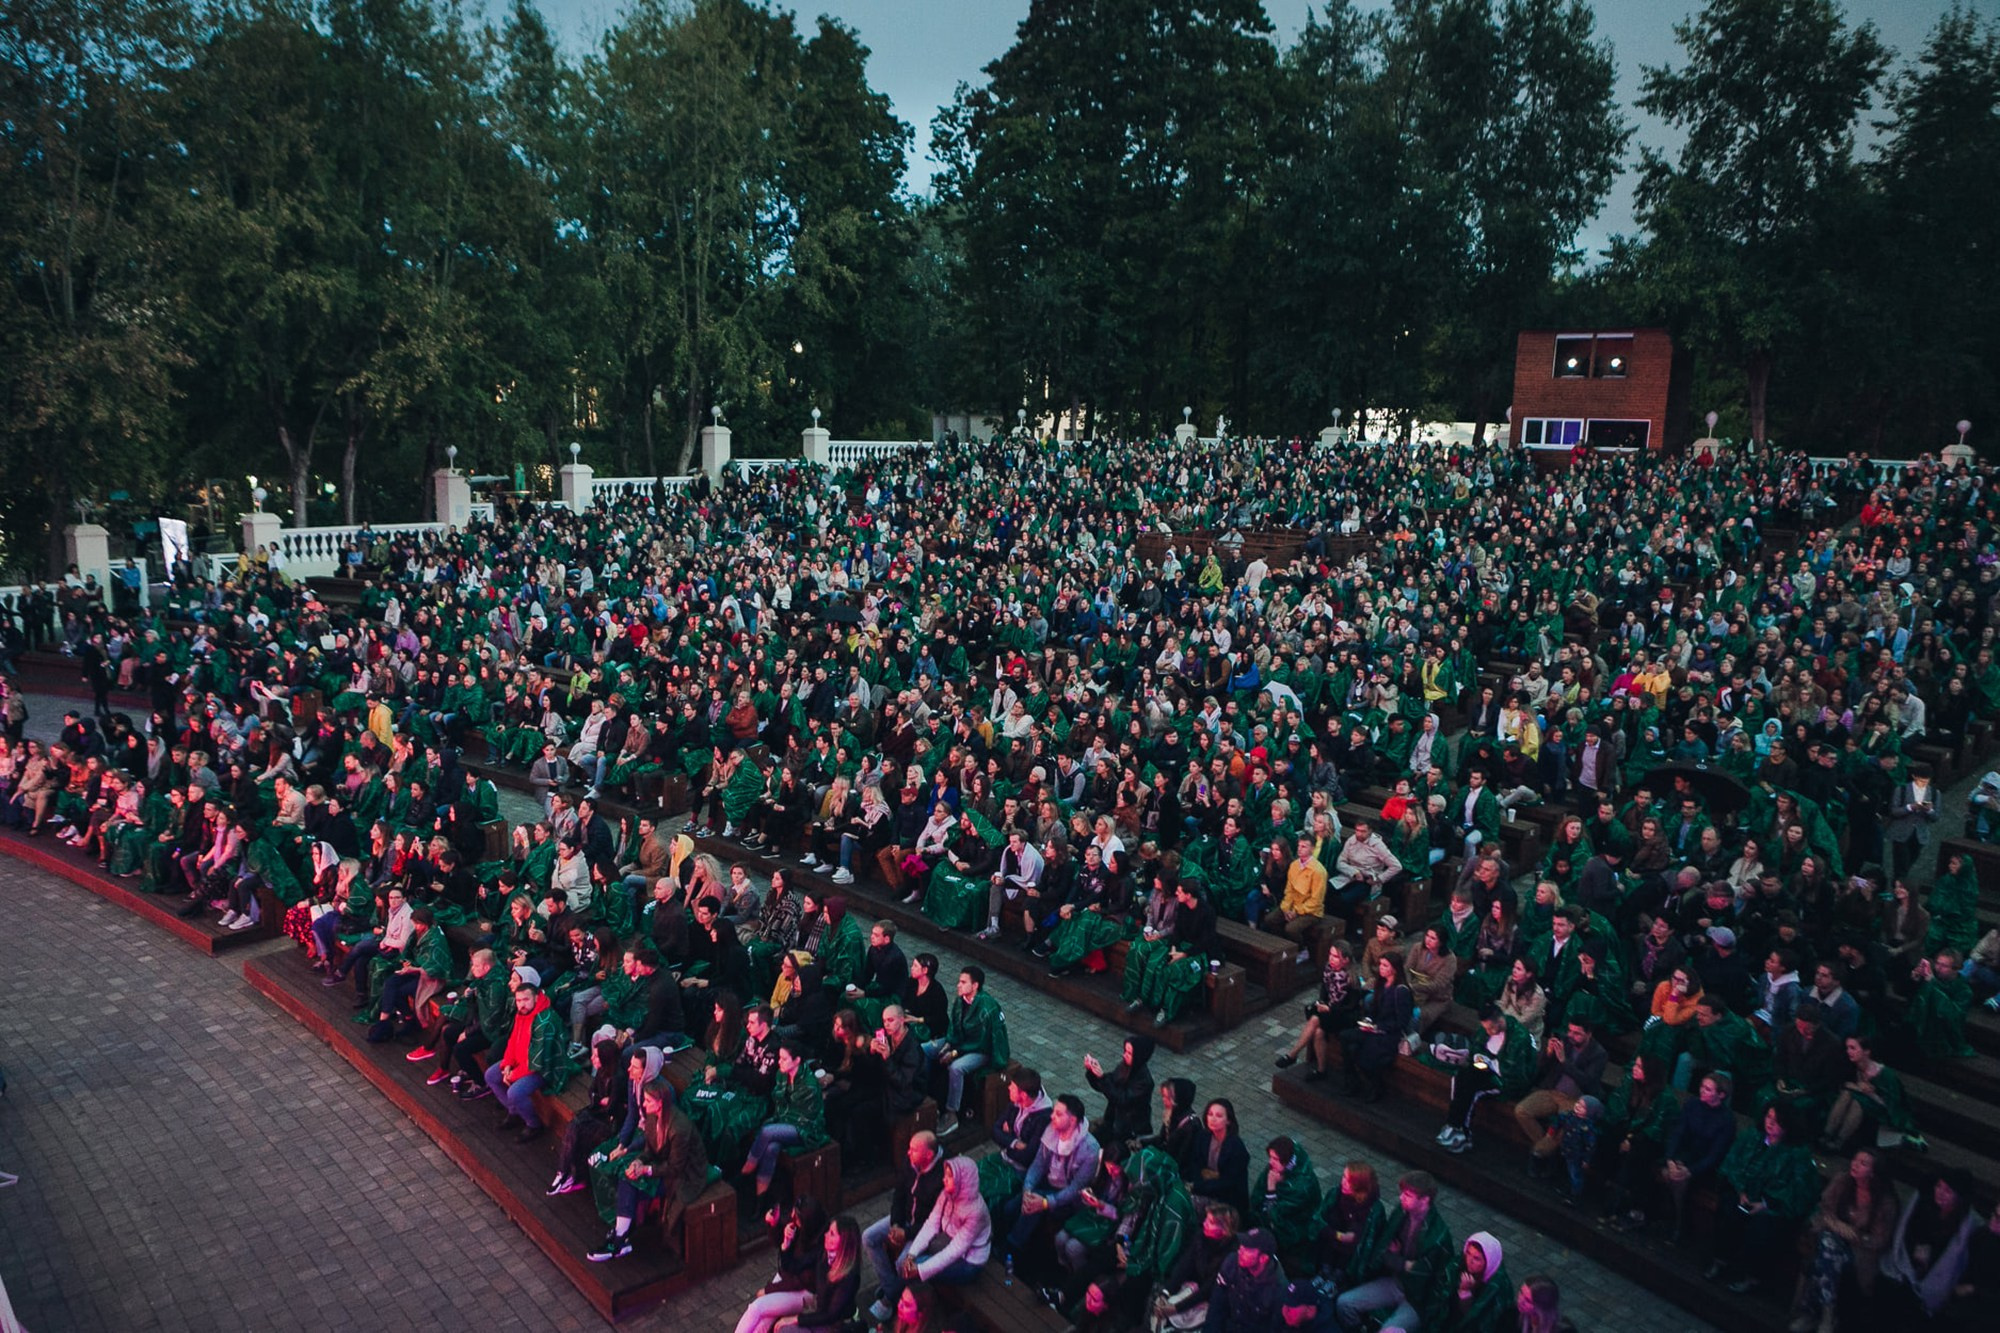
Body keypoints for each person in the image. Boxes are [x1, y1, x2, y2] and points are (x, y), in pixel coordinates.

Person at [1703, 1105, 1822, 1295]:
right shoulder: (1752, 1137)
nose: (1770, 1123)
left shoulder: (1797, 1154)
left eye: (1777, 1121)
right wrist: (1741, 1189)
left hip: (1773, 1205)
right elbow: (1733, 1164)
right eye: (1769, 1117)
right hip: (1744, 1194)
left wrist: (1767, 1203)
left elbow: (1800, 1191)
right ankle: (1720, 1260)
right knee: (1728, 1211)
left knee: (1763, 1227)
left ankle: (1751, 1276)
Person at [1788, 1149, 1898, 1333]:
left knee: (1825, 1253)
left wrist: (1852, 1235)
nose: (1855, 1164)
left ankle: (1813, 1313)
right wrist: (1838, 1226)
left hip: (1860, 1252)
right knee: (1828, 1250)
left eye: (1863, 1163)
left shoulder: (1885, 1203)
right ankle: (1827, 1316)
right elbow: (1824, 1209)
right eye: (1855, 1160)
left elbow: (1879, 1240)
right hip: (1830, 1242)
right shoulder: (1842, 1181)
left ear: (1873, 1171)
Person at [1336, 1171, 1452, 1331]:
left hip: (1417, 1299)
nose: (1401, 1198)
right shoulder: (1401, 1213)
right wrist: (1405, 1264)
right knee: (1344, 1303)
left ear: (1424, 1200)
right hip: (1395, 1282)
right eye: (1402, 1193)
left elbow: (1426, 1274)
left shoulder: (1438, 1235)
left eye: (1408, 1195)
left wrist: (1398, 1259)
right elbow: (1384, 1252)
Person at [863, 1130, 946, 1323]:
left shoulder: (943, 1177)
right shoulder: (911, 1163)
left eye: (913, 1150)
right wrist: (895, 1224)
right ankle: (892, 1288)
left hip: (926, 1232)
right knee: (869, 1237)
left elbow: (936, 1222)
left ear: (929, 1155)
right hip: (905, 1220)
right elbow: (899, 1195)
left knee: (903, 1263)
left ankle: (888, 1299)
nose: (908, 1153)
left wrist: (906, 1233)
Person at [1876, 1170, 1980, 1323]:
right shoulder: (1924, 1207)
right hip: (1906, 1271)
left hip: (1932, 1282)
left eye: (1947, 1191)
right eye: (1939, 1187)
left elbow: (1954, 1264)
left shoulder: (1966, 1225)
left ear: (1959, 1197)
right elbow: (1906, 1238)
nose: (1940, 1193)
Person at [485, 974, 578, 1143]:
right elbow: (513, 1040)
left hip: (545, 1068)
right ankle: (514, 1112)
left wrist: (512, 1075)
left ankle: (534, 1124)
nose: (521, 1004)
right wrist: (507, 1064)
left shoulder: (545, 1021)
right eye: (519, 1000)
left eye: (526, 1000)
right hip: (523, 1063)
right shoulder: (523, 1012)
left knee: (515, 1092)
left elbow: (536, 1062)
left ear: (536, 997)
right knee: (491, 1075)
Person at [732, 1213, 861, 1333]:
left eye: (832, 1233)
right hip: (818, 1311)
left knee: (785, 1329)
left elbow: (831, 1315)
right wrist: (786, 1243)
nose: (826, 1235)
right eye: (828, 1231)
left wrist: (796, 1319)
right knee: (766, 1321)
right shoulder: (823, 1254)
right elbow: (793, 1267)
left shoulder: (850, 1276)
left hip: (835, 1326)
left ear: (843, 1242)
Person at [1436, 1005, 1536, 1154]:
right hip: (1485, 1070)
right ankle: (1452, 1123)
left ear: (1499, 1021)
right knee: (1461, 1078)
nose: (1488, 1032)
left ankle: (1462, 1131)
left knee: (1472, 1089)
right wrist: (1478, 1057)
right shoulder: (1486, 1031)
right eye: (1486, 1028)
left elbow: (1514, 1071)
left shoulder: (1519, 1038)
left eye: (1490, 1028)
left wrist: (1491, 1063)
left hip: (1506, 1080)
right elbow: (1476, 1048)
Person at [924, 966, 1009, 1136]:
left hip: (982, 1050)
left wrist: (955, 1053)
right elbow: (954, 1028)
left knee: (956, 1068)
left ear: (975, 985)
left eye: (963, 982)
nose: (958, 985)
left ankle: (951, 1113)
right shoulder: (960, 1001)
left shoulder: (988, 1008)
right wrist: (948, 1044)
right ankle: (924, 1092)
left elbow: (984, 1042)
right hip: (961, 1043)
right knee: (926, 1049)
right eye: (959, 981)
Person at [740, 1038, 830, 1197]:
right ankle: (761, 1194)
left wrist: (780, 1121)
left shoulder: (808, 1084)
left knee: (768, 1132)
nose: (779, 1062)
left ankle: (748, 1167)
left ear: (797, 1060)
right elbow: (779, 1103)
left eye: (783, 1059)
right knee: (771, 1148)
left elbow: (802, 1115)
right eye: (779, 1058)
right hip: (785, 1122)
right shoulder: (781, 1075)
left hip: (806, 1128)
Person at [1518, 1020, 1607, 1173]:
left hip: (1574, 1099)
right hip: (1552, 1091)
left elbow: (1587, 1081)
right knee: (1521, 1110)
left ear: (1588, 1034)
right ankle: (1544, 1150)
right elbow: (1541, 1067)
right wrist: (1548, 1053)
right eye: (1570, 1031)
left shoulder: (1598, 1054)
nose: (1571, 1035)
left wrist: (1564, 1061)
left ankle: (1539, 1155)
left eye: (1577, 1033)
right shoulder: (1564, 1041)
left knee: (1566, 1127)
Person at [897, 1156, 992, 1294]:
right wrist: (911, 1254)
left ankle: (906, 1304)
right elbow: (931, 1224)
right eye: (945, 1175)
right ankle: (901, 1300)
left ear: (963, 1180)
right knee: (906, 1263)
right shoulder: (946, 1195)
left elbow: (955, 1250)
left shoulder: (975, 1212)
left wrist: (919, 1269)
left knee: (914, 1271)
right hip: (947, 1243)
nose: (944, 1179)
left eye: (949, 1176)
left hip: (969, 1262)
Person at [1277, 939, 1362, 1080]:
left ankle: (1293, 1054)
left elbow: (1350, 1007)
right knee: (1318, 1032)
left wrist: (1329, 1008)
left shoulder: (1351, 980)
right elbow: (1324, 992)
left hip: (1345, 1017)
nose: (1331, 958)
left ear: (1345, 960)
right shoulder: (1328, 970)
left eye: (1335, 956)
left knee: (1316, 1019)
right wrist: (1323, 1004)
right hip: (1330, 1013)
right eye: (1330, 954)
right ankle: (1321, 1070)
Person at [1204, 1227, 1286, 1333]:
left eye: (1247, 1249)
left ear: (1263, 1258)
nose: (1240, 1251)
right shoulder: (1232, 1262)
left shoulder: (1279, 1291)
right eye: (1242, 1245)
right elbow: (1217, 1305)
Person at [1179, 1098, 1249, 1215]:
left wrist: (1198, 1186)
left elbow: (1228, 1182)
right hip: (1204, 1187)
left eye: (1219, 1116)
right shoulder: (1203, 1136)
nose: (1213, 1119)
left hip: (1227, 1199)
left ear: (1228, 1121)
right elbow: (1196, 1164)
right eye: (1210, 1114)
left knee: (1185, 1205)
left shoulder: (1236, 1147)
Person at [1082, 1038, 1155, 1145]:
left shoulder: (1144, 1082)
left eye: (1129, 1053)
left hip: (1129, 1130)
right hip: (1113, 1121)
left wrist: (1102, 1078)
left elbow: (1121, 1099)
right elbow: (1109, 1084)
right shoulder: (1124, 1067)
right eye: (1125, 1051)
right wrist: (1093, 1073)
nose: (1124, 1055)